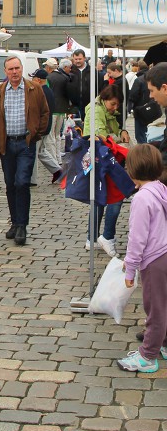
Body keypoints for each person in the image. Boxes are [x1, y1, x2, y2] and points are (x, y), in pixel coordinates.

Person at [0, 55, 51, 246]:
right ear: (5, 71)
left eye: (17, 68)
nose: (14, 72)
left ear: (22, 69)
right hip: (6, 144)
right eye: (11, 69)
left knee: (22, 182)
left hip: (25, 143)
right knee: (10, 184)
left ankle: (22, 225)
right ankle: (14, 222)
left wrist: (37, 132)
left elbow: (45, 112)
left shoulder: (33, 89)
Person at [119, 145, 167, 372]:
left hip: (154, 260)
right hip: (164, 253)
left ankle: (148, 355)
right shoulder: (161, 189)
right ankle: (163, 343)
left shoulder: (141, 199)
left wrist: (130, 269)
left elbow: (137, 239)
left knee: (155, 309)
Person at [84, 85, 132, 256]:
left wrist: (122, 130)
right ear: (104, 99)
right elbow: (101, 136)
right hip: (101, 158)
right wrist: (119, 137)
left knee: (99, 197)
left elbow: (112, 130)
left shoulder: (106, 110)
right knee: (115, 196)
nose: (115, 108)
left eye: (117, 105)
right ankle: (106, 236)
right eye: (113, 104)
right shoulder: (96, 111)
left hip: (103, 158)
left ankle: (92, 238)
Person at [67, 49, 93, 117]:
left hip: (89, 104)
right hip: (73, 105)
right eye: (76, 59)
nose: (78, 61)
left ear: (84, 58)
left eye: (80, 59)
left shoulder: (92, 71)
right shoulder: (69, 71)